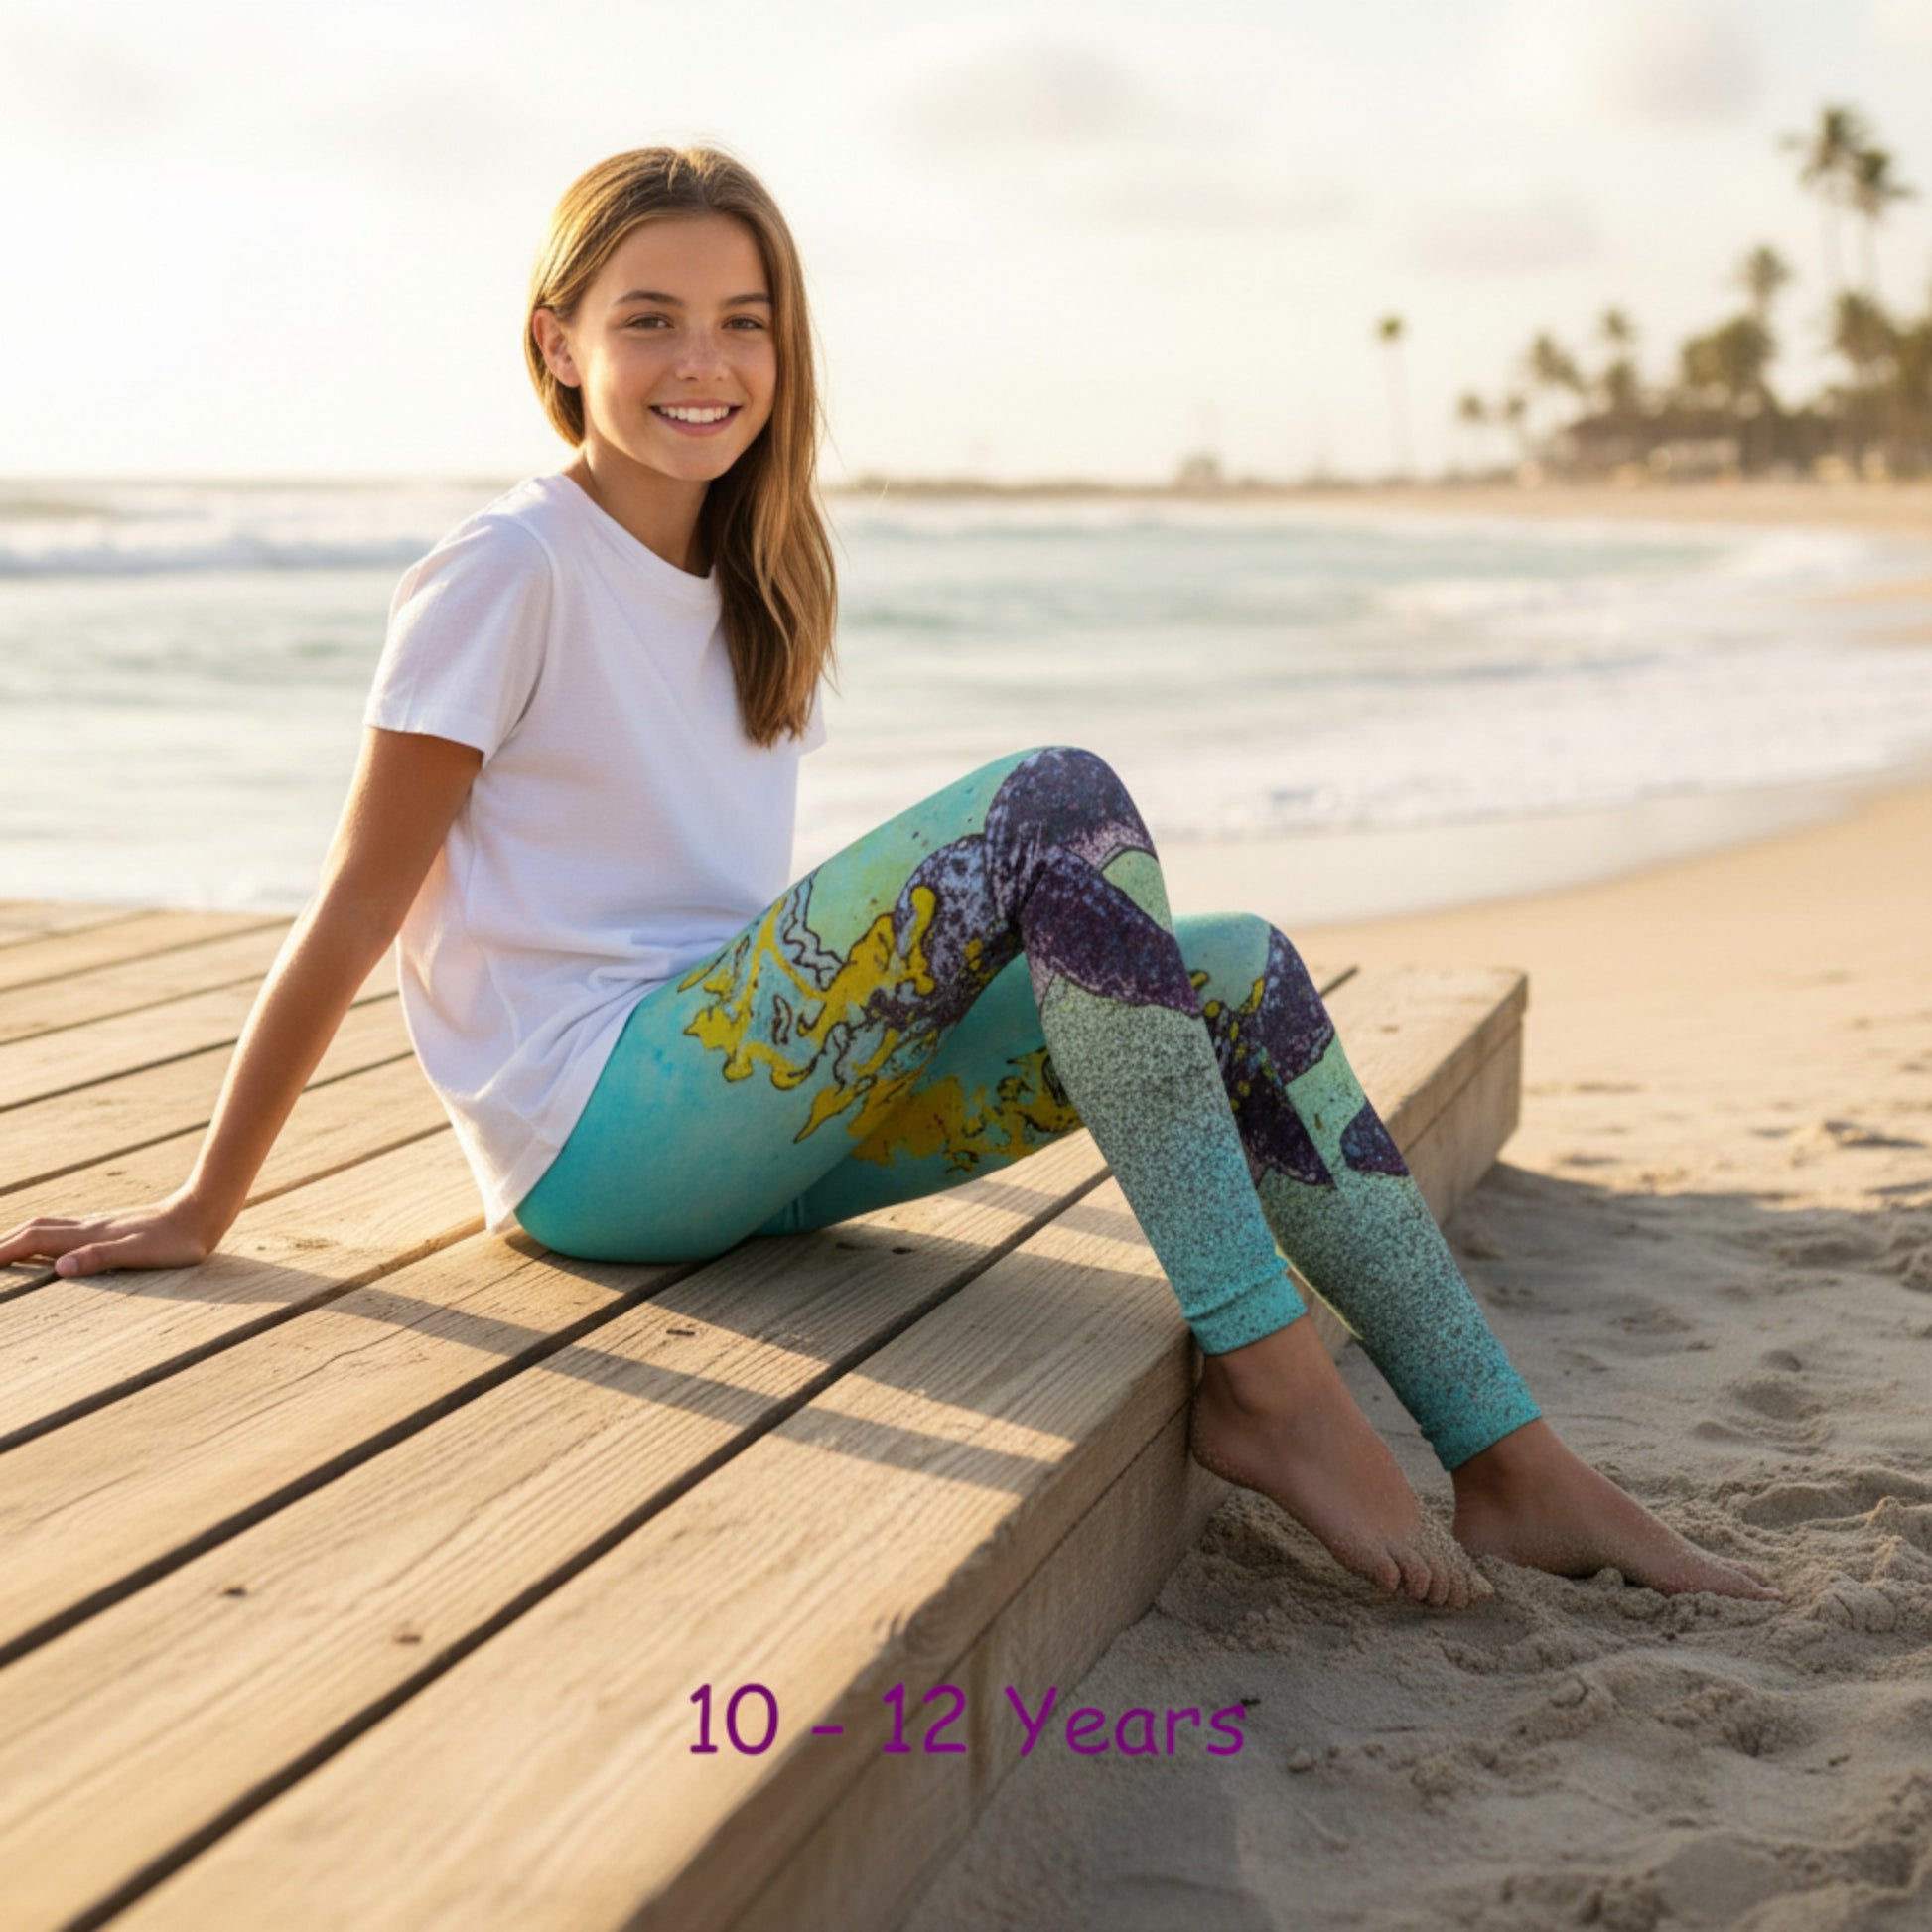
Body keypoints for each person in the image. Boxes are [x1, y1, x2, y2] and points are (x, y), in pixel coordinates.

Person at [0, 145, 1778, 1614]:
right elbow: (354, 907)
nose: (702, 359)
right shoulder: (502, 569)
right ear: (557, 346)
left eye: (742, 323)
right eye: (650, 320)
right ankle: (1272, 1375)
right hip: (596, 1134)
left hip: (763, 1136)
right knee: (1053, 802)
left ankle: (1508, 1454)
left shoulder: (764, 575)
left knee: (1232, 965)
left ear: (784, 353)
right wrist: (203, 1204)